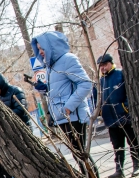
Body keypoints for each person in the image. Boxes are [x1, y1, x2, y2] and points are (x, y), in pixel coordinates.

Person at [31, 32, 94, 169]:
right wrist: (45, 88)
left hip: (74, 116)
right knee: (77, 155)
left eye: (43, 48)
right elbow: (61, 88)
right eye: (39, 49)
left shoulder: (67, 59)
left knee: (81, 155)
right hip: (62, 117)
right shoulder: (50, 66)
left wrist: (68, 107)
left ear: (51, 46)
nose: (40, 52)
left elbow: (86, 84)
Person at [92, 54, 139, 178]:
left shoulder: (120, 74)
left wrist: (126, 108)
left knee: (133, 142)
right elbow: (96, 100)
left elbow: (129, 93)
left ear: (110, 63)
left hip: (125, 117)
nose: (102, 68)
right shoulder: (100, 82)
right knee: (117, 146)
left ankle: (137, 165)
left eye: (104, 65)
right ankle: (119, 170)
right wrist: (100, 113)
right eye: (100, 66)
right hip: (110, 120)